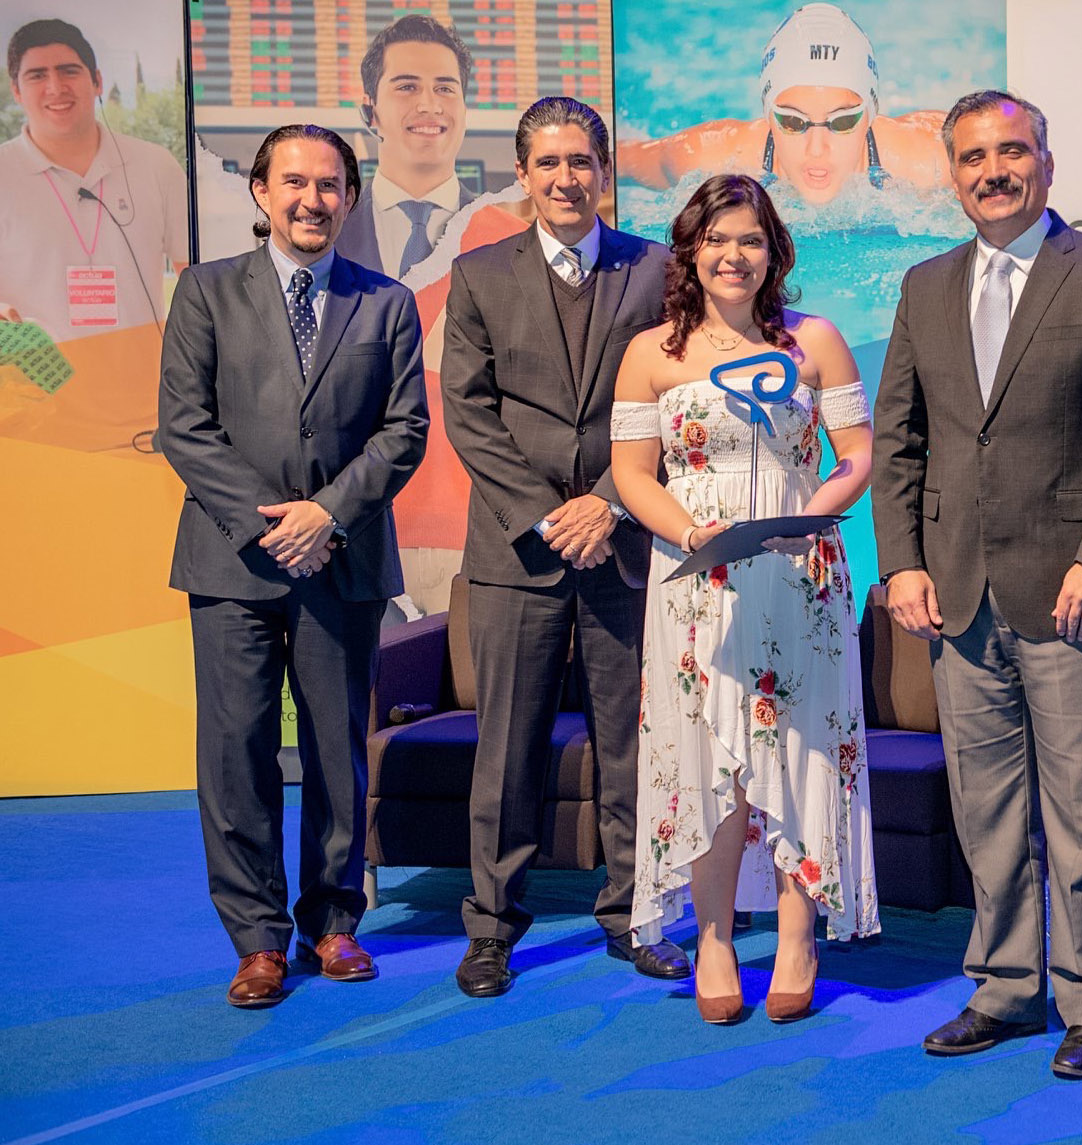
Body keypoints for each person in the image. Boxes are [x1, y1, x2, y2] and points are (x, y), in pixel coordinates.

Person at [871, 90, 1082, 1078]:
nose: (991, 170)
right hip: (955, 596)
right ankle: (1002, 986)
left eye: (1011, 151)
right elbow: (898, 442)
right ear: (950, 174)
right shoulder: (922, 287)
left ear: (1045, 161)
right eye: (971, 157)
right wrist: (902, 560)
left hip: (1069, 593)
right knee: (986, 808)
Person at [157, 123, 429, 1008]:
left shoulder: (386, 303)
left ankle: (333, 920)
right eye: (295, 183)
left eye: (330, 185)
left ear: (350, 198)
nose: (313, 199)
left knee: (335, 750)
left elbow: (405, 430)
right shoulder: (204, 292)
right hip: (234, 561)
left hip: (340, 560)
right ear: (262, 193)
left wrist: (327, 514)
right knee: (235, 753)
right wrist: (269, 522)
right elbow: (183, 427)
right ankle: (258, 939)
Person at [610, 173, 879, 1025]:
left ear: (774, 251)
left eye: (752, 239)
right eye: (717, 239)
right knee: (707, 763)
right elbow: (628, 474)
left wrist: (805, 516)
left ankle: (799, 938)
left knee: (800, 752)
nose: (735, 255)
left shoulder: (815, 342)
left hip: (800, 573)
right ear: (691, 248)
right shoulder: (652, 351)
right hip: (696, 583)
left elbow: (857, 459)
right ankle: (716, 937)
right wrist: (693, 534)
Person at [440, 96, 686, 997]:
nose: (566, 178)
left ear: (604, 171)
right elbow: (468, 413)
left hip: (625, 544)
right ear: (522, 173)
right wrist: (551, 514)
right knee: (508, 747)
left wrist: (608, 503)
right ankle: (493, 927)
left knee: (636, 741)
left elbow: (675, 404)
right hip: (519, 553)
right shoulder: (477, 277)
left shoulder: (659, 269)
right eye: (548, 163)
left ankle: (634, 913)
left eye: (581, 161)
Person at [615, 3, 948, 204]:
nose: (817, 149)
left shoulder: (929, 161)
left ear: (870, 117)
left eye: (843, 121)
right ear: (769, 117)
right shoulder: (712, 159)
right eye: (793, 122)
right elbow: (616, 160)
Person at [0, 18, 188, 341]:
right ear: (16, 89)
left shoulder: (156, 166)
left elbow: (195, 278)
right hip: (38, 386)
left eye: (69, 71)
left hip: (143, 385)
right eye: (37, 75)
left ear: (97, 81)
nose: (56, 87)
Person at [336, 14, 474, 279]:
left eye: (445, 88)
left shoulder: (507, 234)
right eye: (407, 86)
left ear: (464, 110)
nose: (429, 105)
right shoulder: (329, 232)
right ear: (370, 110)